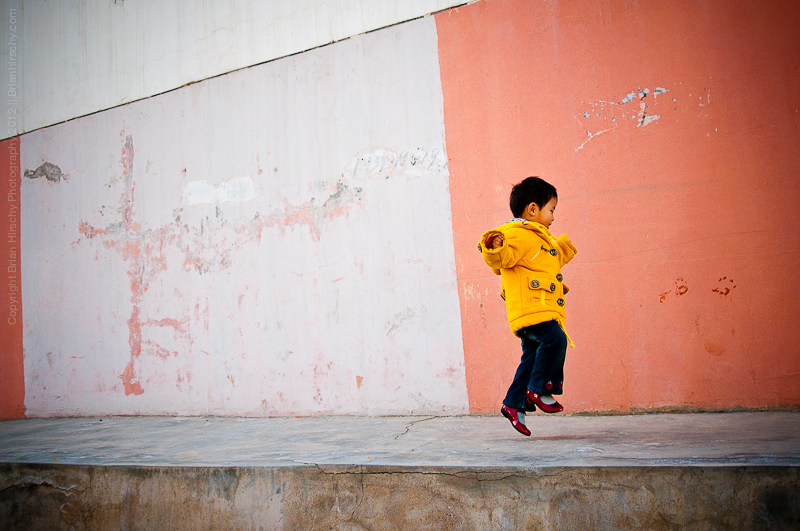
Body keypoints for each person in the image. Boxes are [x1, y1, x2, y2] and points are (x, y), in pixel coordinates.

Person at [477, 176, 577, 436]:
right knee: (555, 339)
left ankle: (514, 404)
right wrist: (495, 246)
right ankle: (540, 389)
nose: (553, 217)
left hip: (536, 308)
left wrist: (562, 250)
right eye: (551, 210)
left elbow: (543, 265)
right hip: (533, 310)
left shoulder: (539, 238)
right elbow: (502, 260)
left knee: (531, 358)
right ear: (533, 209)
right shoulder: (517, 235)